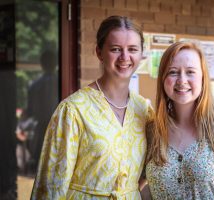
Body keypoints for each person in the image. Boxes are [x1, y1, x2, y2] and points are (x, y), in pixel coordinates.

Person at [31, 15, 152, 199]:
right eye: (115, 49)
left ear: (141, 54)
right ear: (99, 52)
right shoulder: (73, 110)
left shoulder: (144, 110)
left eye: (133, 49)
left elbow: (148, 170)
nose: (125, 57)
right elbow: (51, 186)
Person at [145, 41, 214, 200]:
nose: (182, 80)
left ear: (203, 78)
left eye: (190, 72)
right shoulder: (151, 131)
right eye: (173, 72)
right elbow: (138, 187)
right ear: (162, 78)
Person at [16, 49, 58, 174]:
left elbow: (30, 111)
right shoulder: (61, 81)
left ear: (41, 64)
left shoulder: (34, 85)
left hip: (39, 132)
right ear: (55, 63)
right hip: (57, 129)